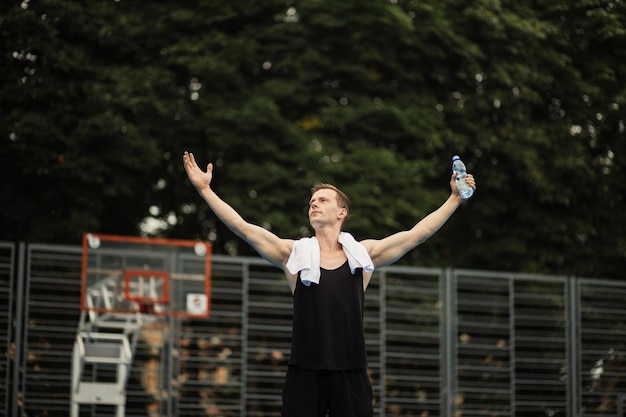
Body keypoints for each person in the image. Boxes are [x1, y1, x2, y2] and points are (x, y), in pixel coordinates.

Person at [182, 150, 476, 417]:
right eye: (311, 202)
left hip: (351, 374)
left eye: (322, 200)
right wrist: (205, 189)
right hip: (304, 374)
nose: (314, 204)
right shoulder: (293, 256)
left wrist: (453, 199)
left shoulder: (363, 257)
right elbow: (242, 227)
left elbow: (417, 234)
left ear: (342, 212)